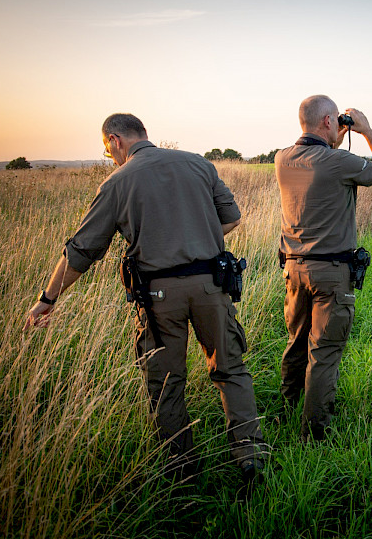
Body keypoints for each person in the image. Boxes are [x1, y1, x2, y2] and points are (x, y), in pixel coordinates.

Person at [24, 113, 266, 484]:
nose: (111, 157)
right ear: (144, 134)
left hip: (158, 297)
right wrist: (198, 241)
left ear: (115, 140)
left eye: (108, 150)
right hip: (212, 286)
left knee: (166, 383)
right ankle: (250, 458)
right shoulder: (199, 164)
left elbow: (82, 251)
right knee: (231, 369)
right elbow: (232, 218)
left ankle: (181, 472)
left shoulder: (117, 182)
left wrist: (48, 298)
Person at [275, 95, 372, 441]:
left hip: (294, 271)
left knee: (296, 343)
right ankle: (314, 434)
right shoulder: (338, 162)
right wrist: (366, 131)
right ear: (329, 121)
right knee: (325, 353)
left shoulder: (282, 158)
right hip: (331, 273)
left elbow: (323, 156)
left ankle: (288, 408)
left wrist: (338, 138)